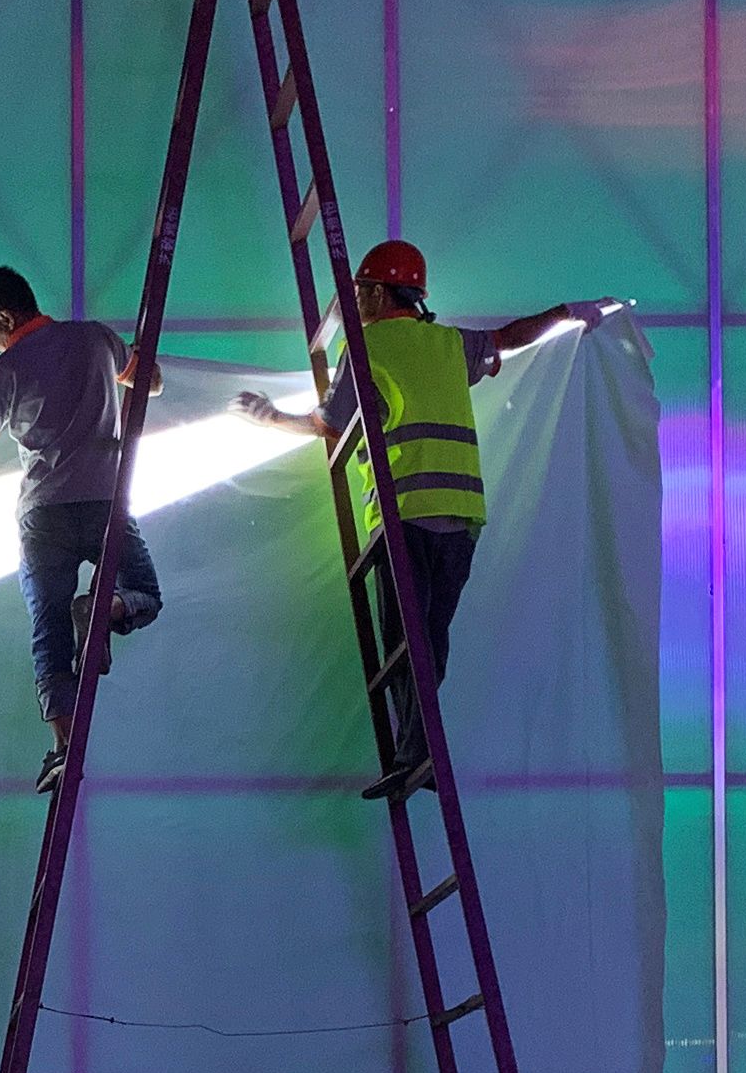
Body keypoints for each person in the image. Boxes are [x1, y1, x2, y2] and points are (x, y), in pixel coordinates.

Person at [229, 240, 615, 793]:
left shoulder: (364, 350)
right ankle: (419, 754)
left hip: (404, 511)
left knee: (405, 642)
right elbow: (509, 337)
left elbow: (330, 423)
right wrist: (566, 314)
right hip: (461, 514)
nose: (357, 300)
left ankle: (418, 753)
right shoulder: (447, 344)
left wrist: (269, 418)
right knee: (430, 637)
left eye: (362, 291)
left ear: (381, 293)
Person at [0, 265, 165, 796]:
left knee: (49, 630)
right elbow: (150, 382)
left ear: (4, 316)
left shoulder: (5, 372)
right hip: (106, 501)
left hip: (44, 515)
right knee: (145, 593)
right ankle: (104, 608)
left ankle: (62, 747)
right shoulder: (96, 338)